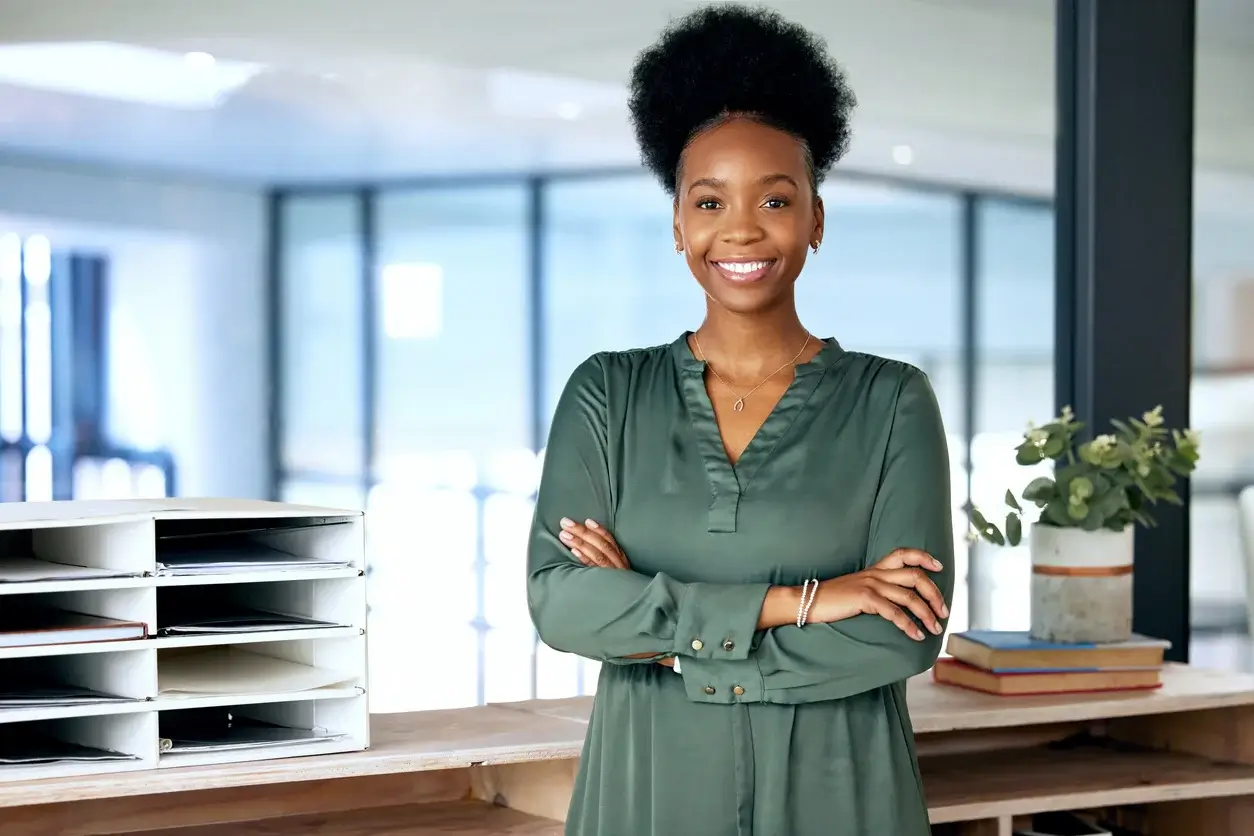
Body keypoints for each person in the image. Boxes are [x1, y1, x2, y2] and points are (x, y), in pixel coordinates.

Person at [526, 5, 955, 834]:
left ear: (816, 221)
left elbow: (900, 638)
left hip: (841, 795)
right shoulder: (606, 395)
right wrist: (805, 600)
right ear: (680, 225)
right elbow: (562, 606)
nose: (743, 229)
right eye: (711, 201)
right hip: (648, 792)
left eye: (776, 198)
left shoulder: (893, 402)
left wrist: (658, 633)